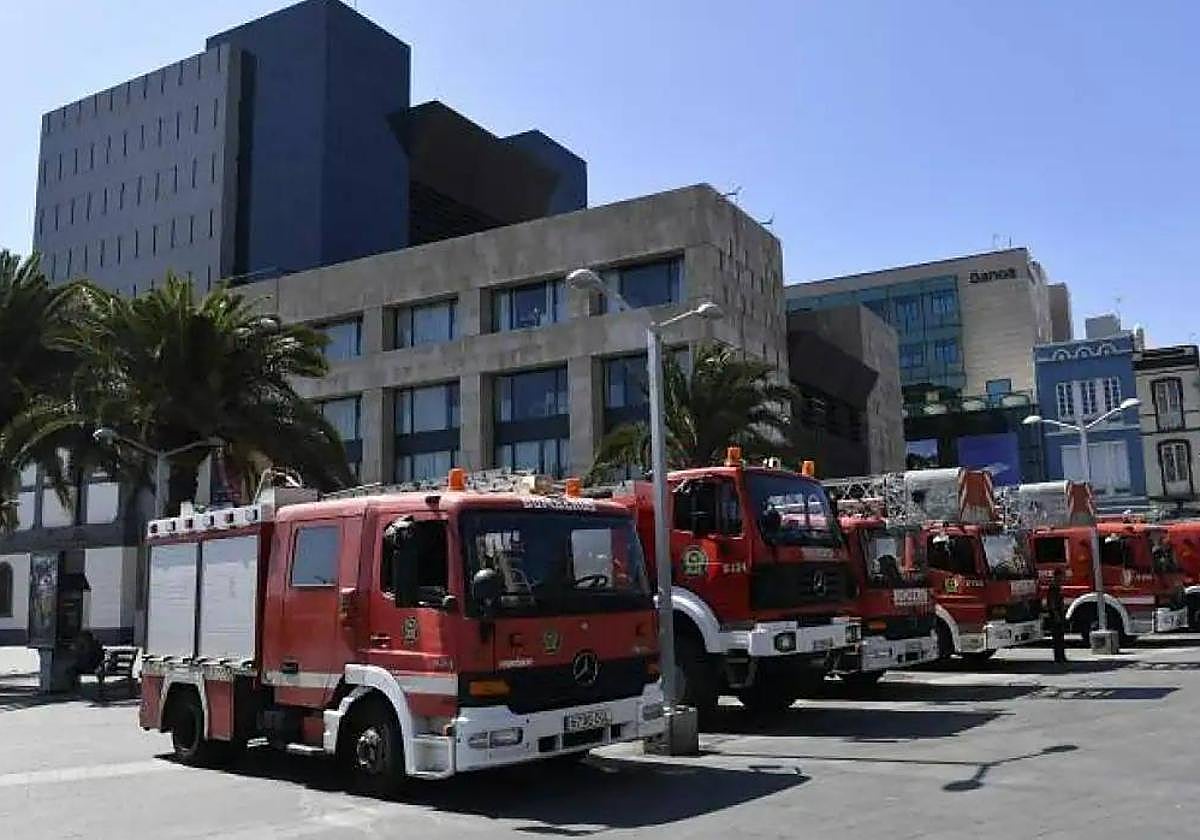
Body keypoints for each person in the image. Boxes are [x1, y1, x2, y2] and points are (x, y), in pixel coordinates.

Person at [1046, 569, 1067, 665]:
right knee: (1057, 638)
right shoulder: (1053, 587)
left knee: (1061, 637)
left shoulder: (1057, 586)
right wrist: (1056, 615)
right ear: (1057, 576)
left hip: (1059, 614)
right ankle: (1058, 658)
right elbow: (1052, 603)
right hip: (1055, 616)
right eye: (1061, 576)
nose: (1063, 578)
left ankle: (1061, 656)